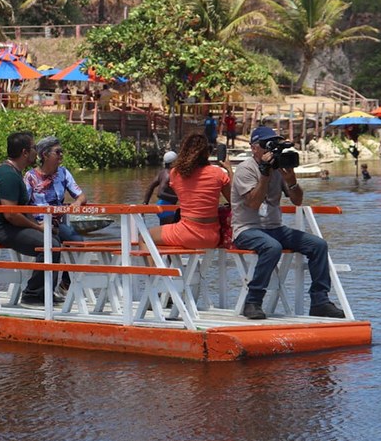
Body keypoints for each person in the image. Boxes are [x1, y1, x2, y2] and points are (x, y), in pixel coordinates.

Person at [231, 126, 345, 320]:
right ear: (254, 148)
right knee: (272, 247)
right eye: (266, 145)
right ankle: (253, 301)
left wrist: (291, 180)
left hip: (275, 228)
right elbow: (253, 203)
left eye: (273, 146)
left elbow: (297, 200)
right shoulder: (245, 169)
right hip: (247, 229)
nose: (270, 150)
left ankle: (320, 301)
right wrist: (265, 174)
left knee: (318, 245)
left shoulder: (278, 168)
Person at [0, 131, 63, 306]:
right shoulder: (8, 175)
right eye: (34, 148)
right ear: (25, 152)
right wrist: (38, 227)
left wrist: (39, 225)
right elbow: (10, 214)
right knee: (50, 245)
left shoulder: (14, 172)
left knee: (55, 239)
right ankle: (32, 295)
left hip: (9, 226)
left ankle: (46, 292)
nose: (37, 152)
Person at [24, 136, 88, 294]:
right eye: (58, 152)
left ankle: (65, 284)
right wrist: (36, 225)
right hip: (37, 225)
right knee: (54, 245)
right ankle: (44, 291)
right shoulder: (30, 177)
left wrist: (77, 203)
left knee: (78, 243)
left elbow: (81, 196)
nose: (61, 155)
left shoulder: (63, 173)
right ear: (45, 155)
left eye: (62, 152)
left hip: (57, 225)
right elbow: (22, 205)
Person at [147, 133, 232, 249]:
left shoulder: (176, 173)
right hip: (212, 237)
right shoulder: (218, 173)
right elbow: (234, 200)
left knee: (145, 237)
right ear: (207, 152)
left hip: (186, 234)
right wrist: (229, 170)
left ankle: (158, 267)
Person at [143, 151, 179, 225]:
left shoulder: (162, 173)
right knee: (172, 229)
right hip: (166, 207)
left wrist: (145, 203)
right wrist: (178, 198)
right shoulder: (168, 175)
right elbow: (160, 193)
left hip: (162, 206)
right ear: (172, 163)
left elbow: (150, 187)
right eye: (177, 161)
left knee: (163, 231)